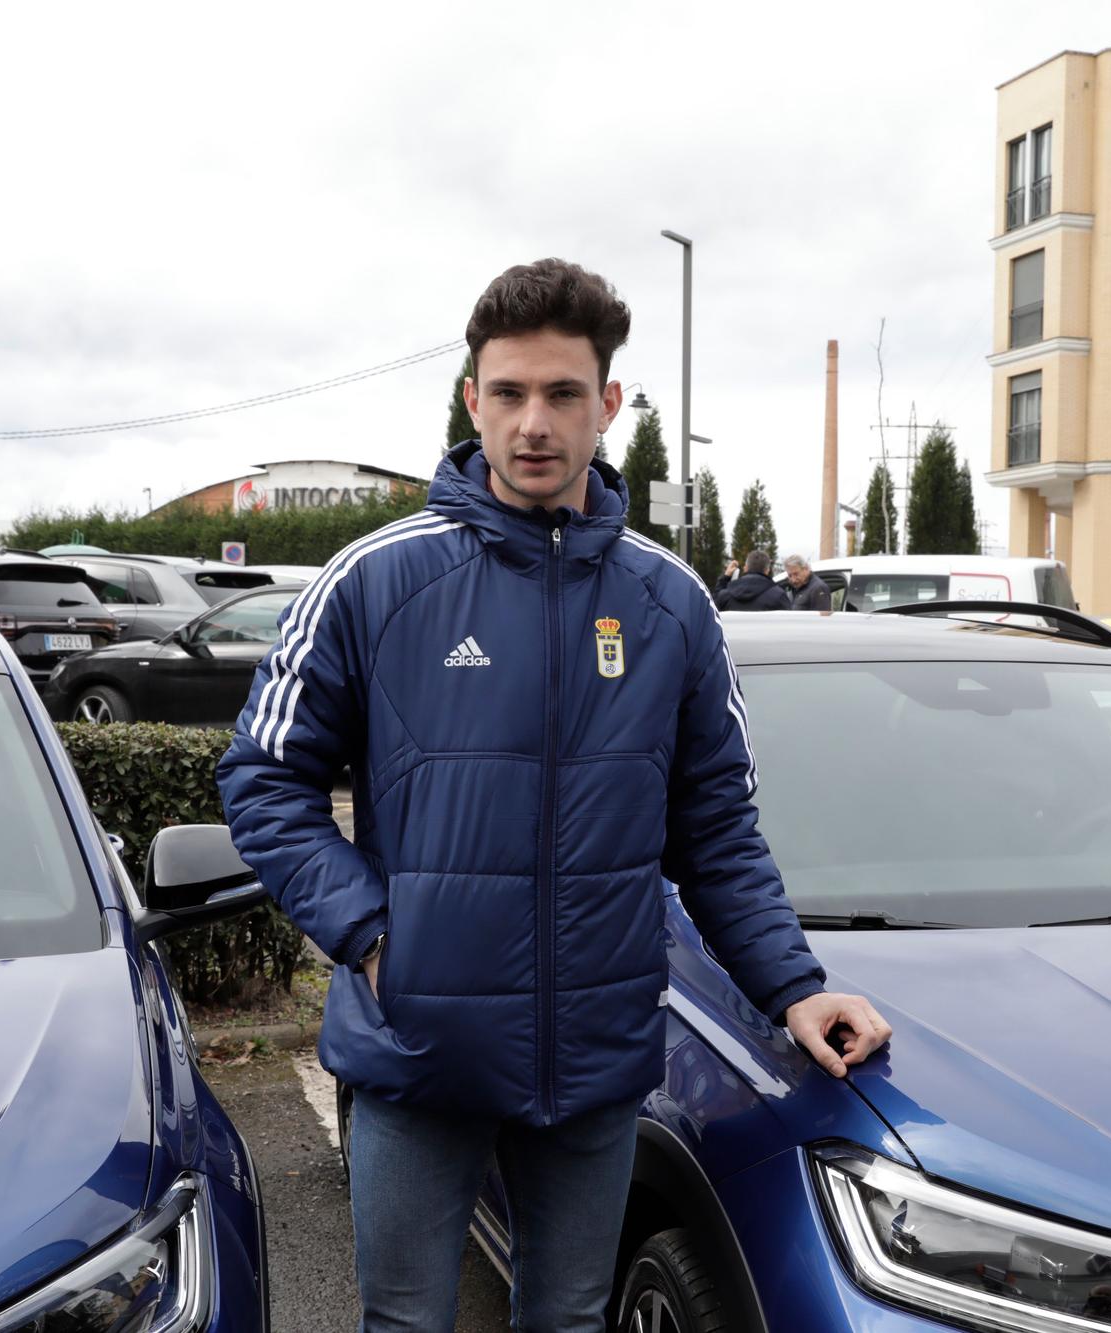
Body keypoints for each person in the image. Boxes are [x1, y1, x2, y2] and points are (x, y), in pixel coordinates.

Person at [217, 257, 890, 1333]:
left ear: (606, 405)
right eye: (511, 392)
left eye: (563, 394)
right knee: (402, 1321)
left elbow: (714, 834)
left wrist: (794, 988)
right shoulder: (376, 581)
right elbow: (262, 779)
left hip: (595, 1056)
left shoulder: (669, 605)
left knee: (567, 1320)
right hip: (414, 1050)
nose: (535, 423)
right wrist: (374, 935)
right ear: (473, 399)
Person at [713, 549, 790, 611]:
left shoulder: (725, 595)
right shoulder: (779, 596)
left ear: (745, 568)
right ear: (767, 570)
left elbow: (713, 608)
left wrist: (725, 577)